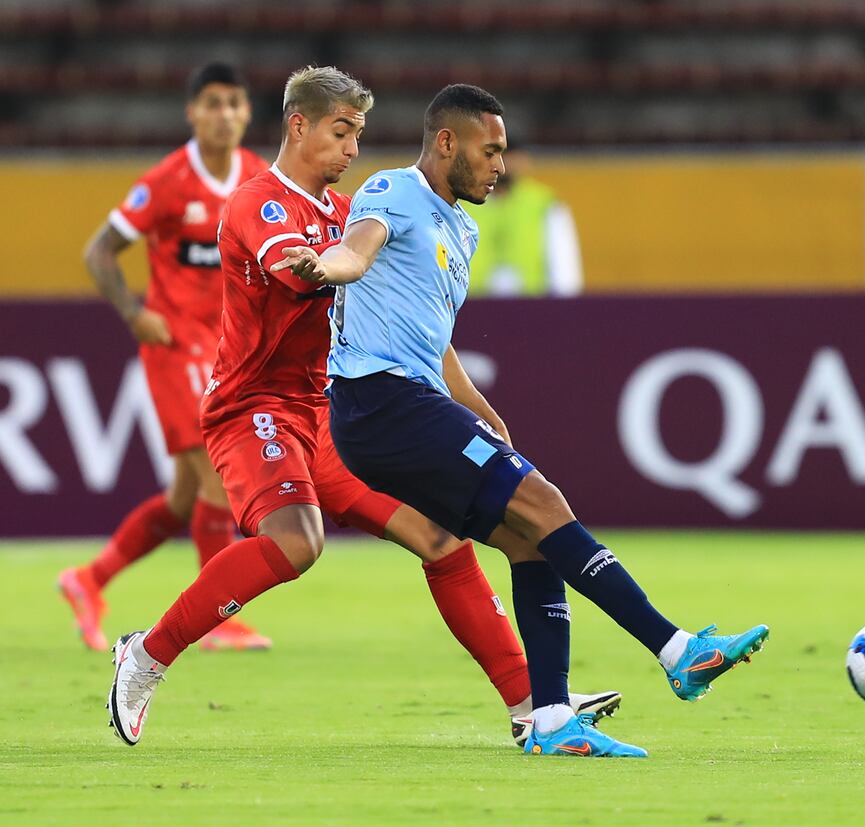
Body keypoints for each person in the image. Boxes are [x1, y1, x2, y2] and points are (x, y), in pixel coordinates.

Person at [104, 67, 619, 749]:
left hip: (331, 412)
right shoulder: (258, 201)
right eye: (341, 133)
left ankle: (529, 702)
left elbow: (414, 331)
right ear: (300, 126)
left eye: (359, 136)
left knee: (440, 536)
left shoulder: (349, 215)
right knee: (297, 540)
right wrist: (323, 264)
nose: (352, 151)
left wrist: (474, 405)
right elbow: (292, 263)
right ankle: (146, 655)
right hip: (255, 406)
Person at [274, 84, 769, 758]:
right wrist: (322, 264)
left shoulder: (463, 227)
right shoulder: (393, 191)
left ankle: (553, 720)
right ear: (447, 142)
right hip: (378, 404)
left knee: (529, 538)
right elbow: (356, 254)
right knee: (544, 500)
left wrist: (482, 412)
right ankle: (678, 649)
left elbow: (433, 339)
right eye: (491, 150)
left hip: (409, 404)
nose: (500, 164)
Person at [59, 63, 272, 652]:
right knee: (215, 472)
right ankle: (219, 620)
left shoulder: (257, 178)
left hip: (229, 347)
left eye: (234, 103)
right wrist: (132, 311)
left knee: (186, 497)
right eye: (212, 103)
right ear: (192, 112)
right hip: (175, 343)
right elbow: (100, 251)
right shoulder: (168, 181)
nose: (224, 114)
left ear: (248, 113)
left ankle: (87, 579)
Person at [463, 142, 583, 297]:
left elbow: (565, 270)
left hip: (532, 309)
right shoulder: (463, 205)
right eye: (495, 155)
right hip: (472, 309)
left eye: (511, 156)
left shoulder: (544, 204)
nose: (504, 164)